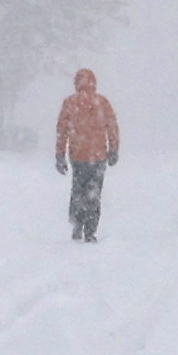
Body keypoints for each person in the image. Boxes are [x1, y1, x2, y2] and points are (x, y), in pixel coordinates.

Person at [54, 68, 119, 242]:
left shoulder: (70, 103)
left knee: (78, 190)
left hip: (78, 156)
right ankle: (90, 230)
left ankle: (77, 224)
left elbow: (62, 130)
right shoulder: (102, 102)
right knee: (94, 193)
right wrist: (113, 149)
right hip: (98, 156)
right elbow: (112, 127)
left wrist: (60, 154)